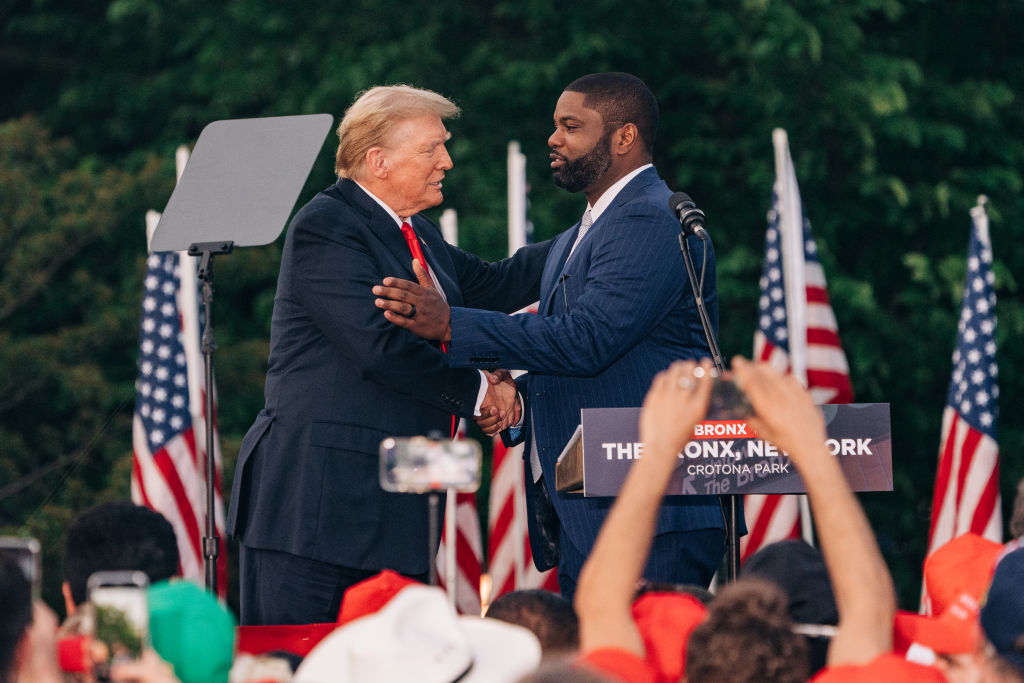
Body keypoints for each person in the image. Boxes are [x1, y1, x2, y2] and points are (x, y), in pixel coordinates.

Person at [373, 72, 725, 598]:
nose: (553, 139)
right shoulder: (586, 230)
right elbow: (509, 294)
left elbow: (587, 341)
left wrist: (451, 325)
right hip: (592, 503)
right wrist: (509, 390)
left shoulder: (651, 220)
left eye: (571, 126)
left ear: (624, 138)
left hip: (651, 510)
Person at [226, 84, 553, 625]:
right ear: (378, 161)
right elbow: (380, 349)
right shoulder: (326, 226)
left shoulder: (415, 233)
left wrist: (595, 229)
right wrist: (480, 393)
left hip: (397, 516)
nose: (446, 160)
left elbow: (497, 283)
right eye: (432, 148)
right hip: (317, 515)